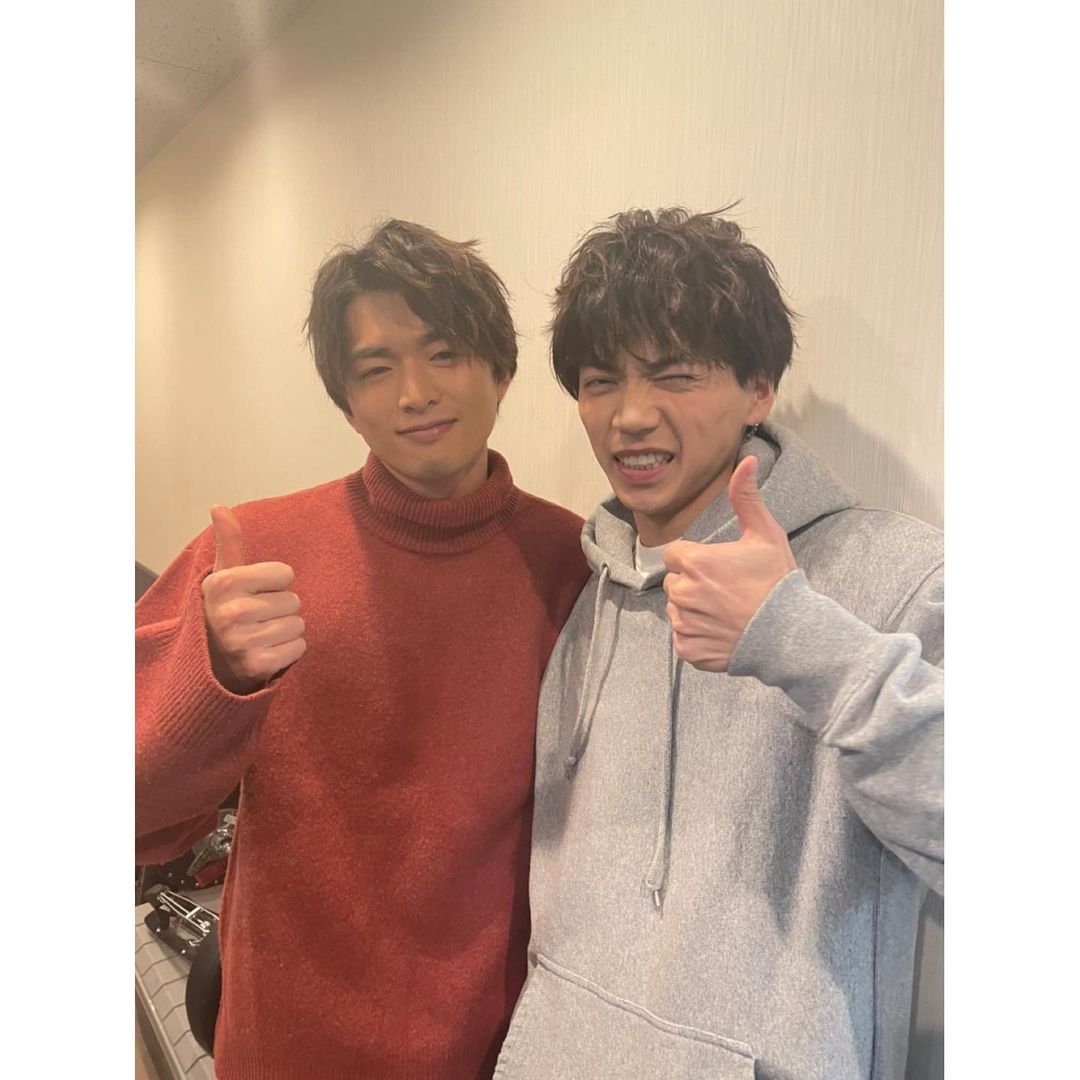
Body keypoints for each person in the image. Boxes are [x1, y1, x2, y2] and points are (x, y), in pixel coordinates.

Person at [494, 208, 943, 1080]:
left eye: (675, 375)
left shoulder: (897, 575)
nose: (630, 416)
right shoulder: (590, 594)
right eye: (599, 381)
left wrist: (800, 640)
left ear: (759, 389)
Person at [135, 219, 589, 1079]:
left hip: (497, 1048)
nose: (416, 392)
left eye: (445, 353)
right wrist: (215, 679)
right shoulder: (256, 556)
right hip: (288, 1045)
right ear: (345, 402)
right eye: (376, 369)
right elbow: (136, 819)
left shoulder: (571, 565)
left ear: (501, 371)